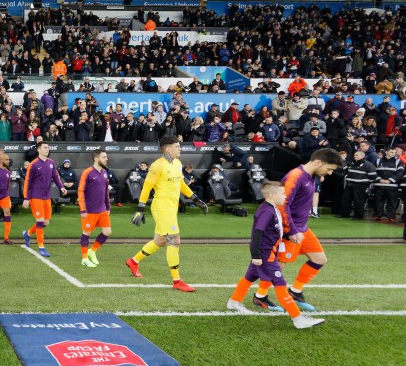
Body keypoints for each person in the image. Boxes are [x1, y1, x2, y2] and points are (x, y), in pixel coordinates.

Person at [253, 148, 342, 312]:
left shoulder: (310, 175)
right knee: (278, 266)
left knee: (319, 259)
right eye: (329, 169)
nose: (329, 173)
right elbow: (281, 205)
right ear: (318, 163)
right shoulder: (296, 177)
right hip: (289, 230)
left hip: (302, 228)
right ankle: (260, 296)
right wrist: (291, 231)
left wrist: (319, 175)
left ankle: (295, 291)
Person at [227, 182, 325, 329]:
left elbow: (272, 231)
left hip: (267, 252)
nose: (285, 196)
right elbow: (257, 233)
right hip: (266, 255)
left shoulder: (272, 209)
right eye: (282, 193)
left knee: (250, 277)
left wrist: (289, 235)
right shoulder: (267, 211)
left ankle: (234, 302)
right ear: (272, 195)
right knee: (280, 285)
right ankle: (298, 318)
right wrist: (256, 255)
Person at [126, 136, 209, 292]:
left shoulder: (177, 163)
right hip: (161, 208)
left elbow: (181, 184)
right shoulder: (157, 166)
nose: (180, 148)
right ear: (167, 149)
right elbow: (146, 187)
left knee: (160, 241)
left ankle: (133, 261)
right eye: (177, 146)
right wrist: (140, 208)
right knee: (174, 240)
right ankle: (177, 281)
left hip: (171, 208)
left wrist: (196, 199)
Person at [22, 141, 68, 256]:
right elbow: (27, 182)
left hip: (47, 197)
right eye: (45, 147)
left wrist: (61, 187)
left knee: (45, 223)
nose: (47, 149)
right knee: (40, 221)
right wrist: (26, 198)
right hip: (35, 197)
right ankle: (41, 247)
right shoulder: (33, 164)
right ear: (39, 150)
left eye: (48, 147)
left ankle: (27, 234)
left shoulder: (51, 163)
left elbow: (56, 177)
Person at [77, 150, 112, 268]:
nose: (106, 159)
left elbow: (106, 191)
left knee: (107, 232)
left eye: (106, 157)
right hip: (89, 210)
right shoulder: (87, 172)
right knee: (86, 233)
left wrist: (108, 206)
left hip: (102, 209)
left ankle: (92, 251)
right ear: (96, 159)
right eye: (104, 157)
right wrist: (83, 209)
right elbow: (80, 191)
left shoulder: (105, 172)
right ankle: (84, 258)